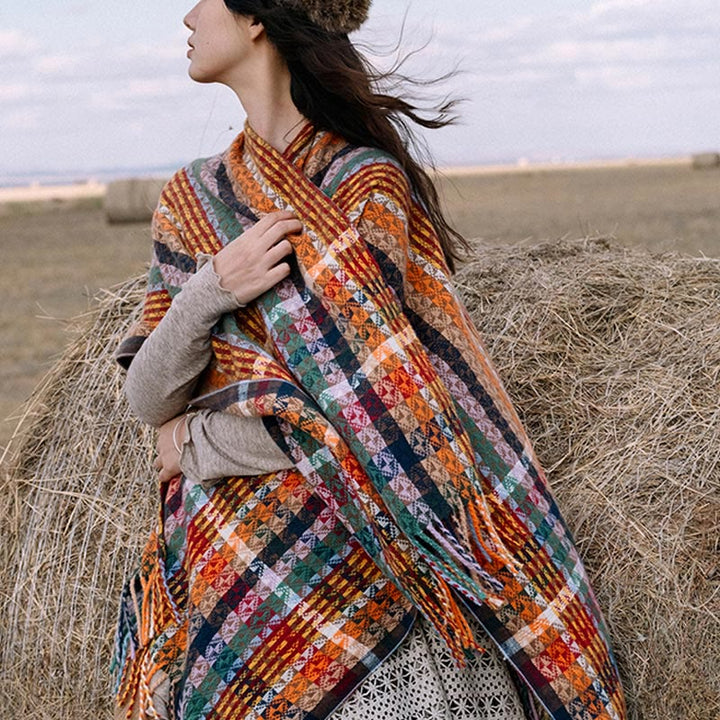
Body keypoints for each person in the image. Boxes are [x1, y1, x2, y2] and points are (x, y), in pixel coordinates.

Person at [112, 1, 627, 719]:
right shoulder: (192, 199)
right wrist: (211, 289)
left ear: (257, 18)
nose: (188, 14)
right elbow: (147, 399)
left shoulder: (363, 184)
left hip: (369, 584)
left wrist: (191, 442)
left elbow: (376, 420)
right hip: (238, 581)